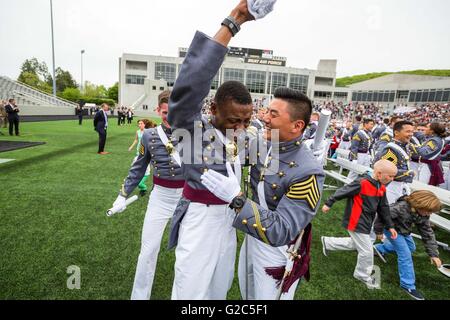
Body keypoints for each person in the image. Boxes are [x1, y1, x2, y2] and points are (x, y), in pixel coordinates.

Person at [166, 0, 273, 300]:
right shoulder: (191, 129)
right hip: (201, 219)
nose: (240, 127)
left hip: (229, 218)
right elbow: (192, 81)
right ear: (213, 108)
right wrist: (234, 20)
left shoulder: (243, 135)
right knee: (190, 293)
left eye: (246, 120)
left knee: (219, 290)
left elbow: (267, 159)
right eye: (233, 120)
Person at [201, 87, 326, 300]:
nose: (264, 118)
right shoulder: (265, 144)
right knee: (248, 292)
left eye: (273, 114)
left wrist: (237, 199)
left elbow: (282, 230)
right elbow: (219, 140)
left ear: (297, 126)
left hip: (277, 249)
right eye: (267, 111)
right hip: (253, 235)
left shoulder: (309, 172)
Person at [112, 89, 185, 300]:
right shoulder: (148, 135)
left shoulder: (192, 134)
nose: (169, 117)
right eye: (164, 112)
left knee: (186, 254)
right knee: (148, 251)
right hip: (160, 198)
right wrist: (122, 195)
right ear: (157, 110)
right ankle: (139, 296)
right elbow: (138, 168)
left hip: (186, 198)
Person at [321, 160, 398, 289]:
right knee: (367, 251)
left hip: (366, 222)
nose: (392, 179)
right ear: (379, 174)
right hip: (356, 221)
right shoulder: (362, 183)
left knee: (356, 244)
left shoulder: (381, 186)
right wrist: (329, 202)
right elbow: (344, 191)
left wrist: (390, 225)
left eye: (393, 176)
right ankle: (362, 275)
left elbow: (383, 208)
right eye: (390, 176)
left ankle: (328, 242)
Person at [374, 190, 443, 300]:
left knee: (411, 248)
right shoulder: (400, 207)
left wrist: (433, 254)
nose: (429, 214)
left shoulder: (423, 214)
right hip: (392, 229)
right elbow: (383, 215)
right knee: (405, 255)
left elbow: (427, 233)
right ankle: (408, 285)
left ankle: (379, 248)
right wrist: (378, 231)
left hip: (403, 230)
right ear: (420, 205)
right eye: (428, 211)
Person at [374, 121, 415, 205]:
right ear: (396, 132)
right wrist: (408, 173)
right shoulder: (391, 149)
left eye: (412, 131)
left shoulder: (404, 146)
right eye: (408, 131)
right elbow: (386, 172)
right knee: (385, 213)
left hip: (399, 184)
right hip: (390, 186)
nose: (411, 134)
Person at [128, 118, 157, 196]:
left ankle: (142, 186)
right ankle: (137, 183)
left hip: (146, 154)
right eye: (139, 123)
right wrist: (131, 147)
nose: (139, 125)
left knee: (145, 172)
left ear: (145, 124)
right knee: (134, 168)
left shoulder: (148, 132)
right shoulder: (138, 132)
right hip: (139, 153)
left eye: (141, 123)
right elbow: (136, 140)